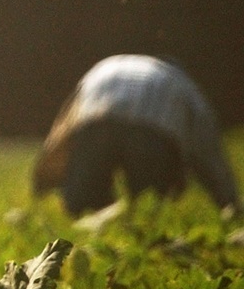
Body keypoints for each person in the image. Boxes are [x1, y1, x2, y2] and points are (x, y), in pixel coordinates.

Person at [33, 54, 240, 217]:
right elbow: (207, 147)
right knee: (149, 203)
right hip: (152, 128)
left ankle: (93, 229)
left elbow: (64, 125)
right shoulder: (180, 81)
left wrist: (42, 179)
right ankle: (141, 233)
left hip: (96, 117)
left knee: (83, 202)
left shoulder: (108, 64)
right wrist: (228, 200)